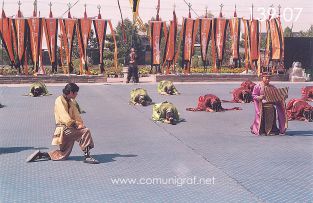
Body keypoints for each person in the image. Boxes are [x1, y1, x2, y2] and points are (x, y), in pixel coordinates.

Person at [26, 83, 99, 164]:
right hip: (64, 129)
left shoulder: (71, 102)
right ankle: (87, 156)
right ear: (71, 92)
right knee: (86, 131)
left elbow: (77, 116)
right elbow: (64, 116)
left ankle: (41, 155)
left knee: (63, 154)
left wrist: (80, 124)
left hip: (68, 129)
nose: (77, 94)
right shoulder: (59, 100)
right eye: (76, 92)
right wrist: (76, 125)